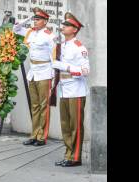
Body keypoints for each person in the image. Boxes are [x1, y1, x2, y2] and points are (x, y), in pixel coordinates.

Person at [13, 7, 55, 146]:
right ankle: (34, 134)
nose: (35, 22)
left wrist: (53, 76)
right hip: (33, 72)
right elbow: (16, 29)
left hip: (44, 72)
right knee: (34, 105)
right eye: (35, 19)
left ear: (45, 21)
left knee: (44, 106)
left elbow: (53, 57)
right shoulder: (30, 32)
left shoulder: (50, 36)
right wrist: (26, 19)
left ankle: (42, 136)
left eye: (38, 19)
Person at [52, 12, 89, 167]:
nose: (64, 27)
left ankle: (75, 157)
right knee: (65, 125)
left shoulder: (79, 47)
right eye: (64, 24)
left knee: (75, 126)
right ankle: (68, 154)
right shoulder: (61, 46)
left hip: (76, 91)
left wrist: (65, 66)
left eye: (67, 25)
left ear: (75, 29)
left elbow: (85, 70)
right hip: (64, 90)